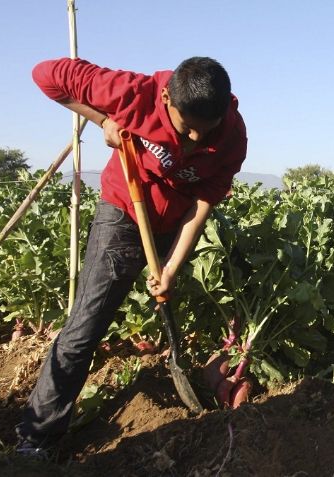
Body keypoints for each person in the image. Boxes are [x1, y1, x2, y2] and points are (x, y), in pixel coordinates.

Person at [16, 56, 247, 456]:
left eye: (203, 131)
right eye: (185, 127)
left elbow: (204, 201)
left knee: (165, 293)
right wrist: (101, 119)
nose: (193, 139)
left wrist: (172, 266)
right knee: (85, 325)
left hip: (173, 222)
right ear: (167, 99)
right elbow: (45, 76)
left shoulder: (232, 135)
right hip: (123, 213)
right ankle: (37, 439)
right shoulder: (132, 93)